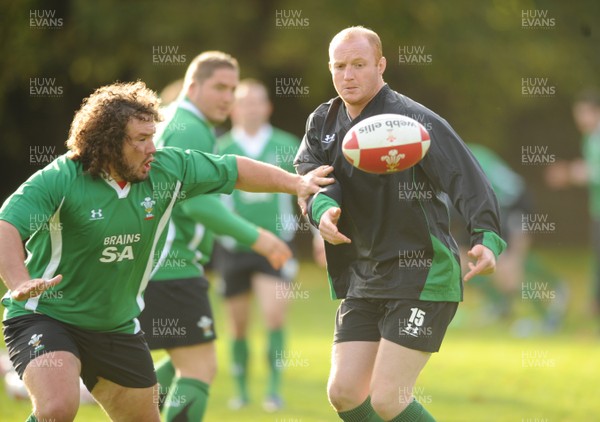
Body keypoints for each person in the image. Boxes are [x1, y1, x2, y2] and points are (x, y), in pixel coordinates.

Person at [0, 80, 333, 422]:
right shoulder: (62, 177)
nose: (152, 148)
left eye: (152, 137)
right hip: (48, 315)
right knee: (57, 408)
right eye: (141, 140)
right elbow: (6, 225)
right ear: (109, 142)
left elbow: (234, 169)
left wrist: (297, 184)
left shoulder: (166, 169)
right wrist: (19, 280)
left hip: (115, 325)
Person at [294, 26, 506, 421]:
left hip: (422, 274)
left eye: (359, 65)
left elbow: (465, 175)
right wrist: (322, 212)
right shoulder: (322, 122)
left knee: (388, 399)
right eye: (339, 66)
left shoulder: (411, 120)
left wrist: (486, 235)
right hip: (364, 273)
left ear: (381, 65)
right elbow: (311, 179)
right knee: (344, 393)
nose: (348, 75)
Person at [138, 52, 292, 422]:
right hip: (170, 264)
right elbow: (196, 205)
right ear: (193, 86)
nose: (228, 97)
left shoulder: (180, 120)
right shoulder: (191, 127)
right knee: (200, 368)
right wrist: (257, 236)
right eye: (219, 87)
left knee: (183, 363)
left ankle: (123, 400)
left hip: (162, 262)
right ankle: (119, 397)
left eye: (233, 89)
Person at [216, 78, 306, 412]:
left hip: (276, 246)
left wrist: (317, 236)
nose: (251, 107)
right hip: (234, 248)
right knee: (238, 325)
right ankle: (240, 391)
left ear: (268, 107)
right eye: (244, 101)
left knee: (274, 316)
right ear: (233, 108)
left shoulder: (287, 144)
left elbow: (306, 194)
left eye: (258, 101)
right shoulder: (220, 148)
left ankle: (273, 390)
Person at [546, 89, 600, 318]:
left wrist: (571, 173)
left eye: (584, 113)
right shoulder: (590, 138)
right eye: (577, 114)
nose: (580, 119)